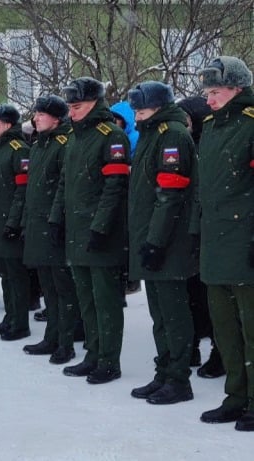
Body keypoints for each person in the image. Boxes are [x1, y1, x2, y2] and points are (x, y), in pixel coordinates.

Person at [49, 77, 130, 384]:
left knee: (105, 301)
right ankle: (93, 354)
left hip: (101, 234)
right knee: (86, 299)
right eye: (70, 106)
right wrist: (57, 219)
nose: (72, 112)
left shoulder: (112, 136)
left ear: (95, 103)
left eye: (78, 106)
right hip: (76, 232)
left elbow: (114, 187)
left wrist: (99, 228)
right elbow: (64, 183)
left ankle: (109, 360)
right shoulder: (74, 137)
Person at [124, 82, 198, 404]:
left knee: (173, 313)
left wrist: (155, 242)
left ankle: (179, 378)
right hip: (151, 238)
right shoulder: (151, 133)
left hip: (169, 241)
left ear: (158, 107)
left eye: (142, 110)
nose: (137, 116)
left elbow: (170, 195)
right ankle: (165, 371)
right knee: (159, 314)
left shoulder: (172, 135)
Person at [193, 56, 254, 431]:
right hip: (216, 242)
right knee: (225, 327)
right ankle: (235, 396)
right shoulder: (212, 126)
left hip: (245, 240)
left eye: (215, 92)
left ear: (237, 89)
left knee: (252, 327)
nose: (209, 99)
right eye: (206, 93)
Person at [20, 96, 80, 364]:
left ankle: (66, 342)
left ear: (56, 118)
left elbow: (63, 189)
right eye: (36, 114)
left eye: (41, 115)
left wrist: (56, 220)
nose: (36, 118)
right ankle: (52, 336)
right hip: (38, 225)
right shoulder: (38, 146)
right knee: (48, 287)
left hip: (55, 226)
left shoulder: (63, 144)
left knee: (62, 289)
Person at [176, 95, 224, 379]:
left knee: (213, 300)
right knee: (192, 294)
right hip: (187, 231)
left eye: (188, 118)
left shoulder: (210, 144)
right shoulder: (187, 144)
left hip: (212, 231)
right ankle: (191, 345)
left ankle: (218, 353)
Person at [0, 104, 31, 340]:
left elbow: (22, 191)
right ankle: (10, 317)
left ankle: (20, 322)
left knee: (16, 276)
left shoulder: (18, 149)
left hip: (9, 225)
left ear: (8, 125)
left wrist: (13, 222)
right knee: (5, 275)